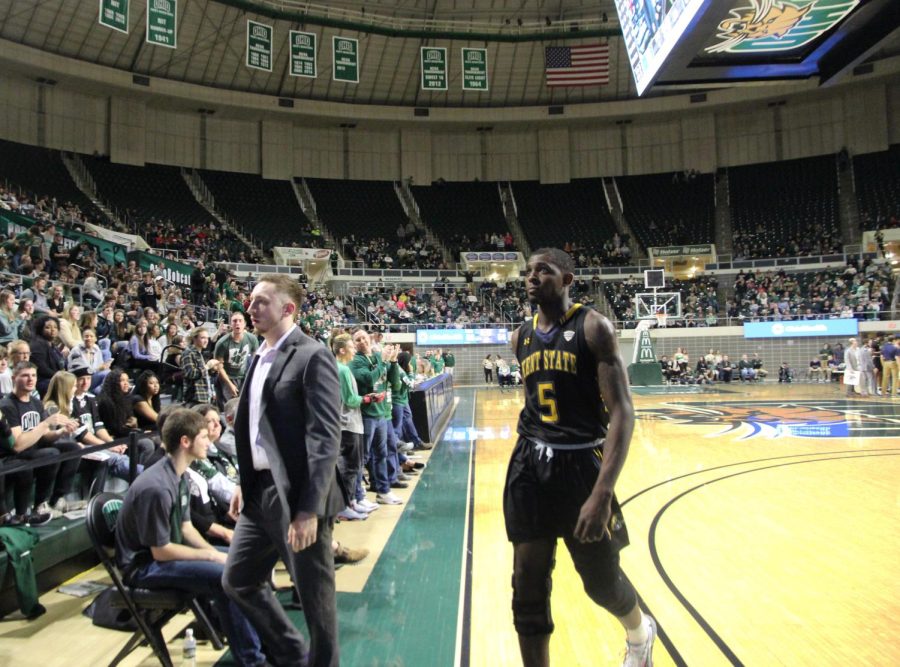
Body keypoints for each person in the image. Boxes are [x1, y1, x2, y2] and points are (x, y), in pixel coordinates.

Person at [505, 248, 654, 667]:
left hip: (581, 466)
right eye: (528, 272)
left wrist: (602, 491)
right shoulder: (520, 336)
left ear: (568, 279)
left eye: (543, 271)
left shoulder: (594, 328)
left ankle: (640, 634)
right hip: (529, 465)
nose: (532, 278)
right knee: (527, 586)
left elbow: (623, 411)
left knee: (600, 582)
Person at [222, 274, 344, 667]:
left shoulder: (312, 355)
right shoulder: (258, 354)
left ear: (287, 309)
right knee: (238, 578)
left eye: (260, 302)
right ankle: (293, 653)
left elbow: (325, 439)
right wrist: (246, 480)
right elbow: (254, 426)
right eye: (250, 301)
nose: (250, 308)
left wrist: (309, 508)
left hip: (296, 494)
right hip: (259, 490)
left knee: (314, 598)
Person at [114, 408, 267, 666]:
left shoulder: (179, 474)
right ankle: (252, 660)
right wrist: (210, 555)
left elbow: (186, 528)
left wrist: (214, 551)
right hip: (143, 567)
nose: (209, 442)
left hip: (162, 557)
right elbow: (160, 551)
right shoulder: (156, 487)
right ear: (185, 441)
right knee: (225, 574)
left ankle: (257, 644)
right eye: (204, 437)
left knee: (241, 562)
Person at [0, 362, 81, 524]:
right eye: (25, 375)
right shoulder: (7, 405)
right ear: (14, 378)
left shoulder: (36, 403)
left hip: (33, 451)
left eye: (33, 375)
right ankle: (39, 504)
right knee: (50, 453)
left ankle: (57, 499)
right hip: (13, 455)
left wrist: (61, 432)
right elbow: (17, 445)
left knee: (72, 447)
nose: (31, 379)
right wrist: (45, 423)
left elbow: (45, 436)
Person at [331, 333, 374, 520]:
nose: (354, 350)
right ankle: (345, 505)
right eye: (351, 346)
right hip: (349, 424)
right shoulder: (343, 370)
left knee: (347, 466)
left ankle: (350, 503)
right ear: (342, 350)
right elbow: (350, 400)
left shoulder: (336, 367)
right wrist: (368, 398)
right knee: (351, 466)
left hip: (341, 424)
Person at [213, 311, 259, 405]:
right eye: (234, 321)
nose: (237, 323)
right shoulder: (222, 343)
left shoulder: (252, 339)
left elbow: (256, 359)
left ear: (244, 324)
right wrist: (230, 384)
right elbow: (219, 367)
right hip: (227, 377)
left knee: (243, 406)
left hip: (243, 377)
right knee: (230, 407)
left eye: (240, 321)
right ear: (231, 324)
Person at [181, 326, 220, 407]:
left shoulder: (201, 353)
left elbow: (204, 374)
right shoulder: (188, 353)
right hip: (194, 398)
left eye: (207, 338)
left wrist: (213, 370)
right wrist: (207, 366)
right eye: (203, 338)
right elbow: (191, 374)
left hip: (205, 397)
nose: (206, 341)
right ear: (194, 339)